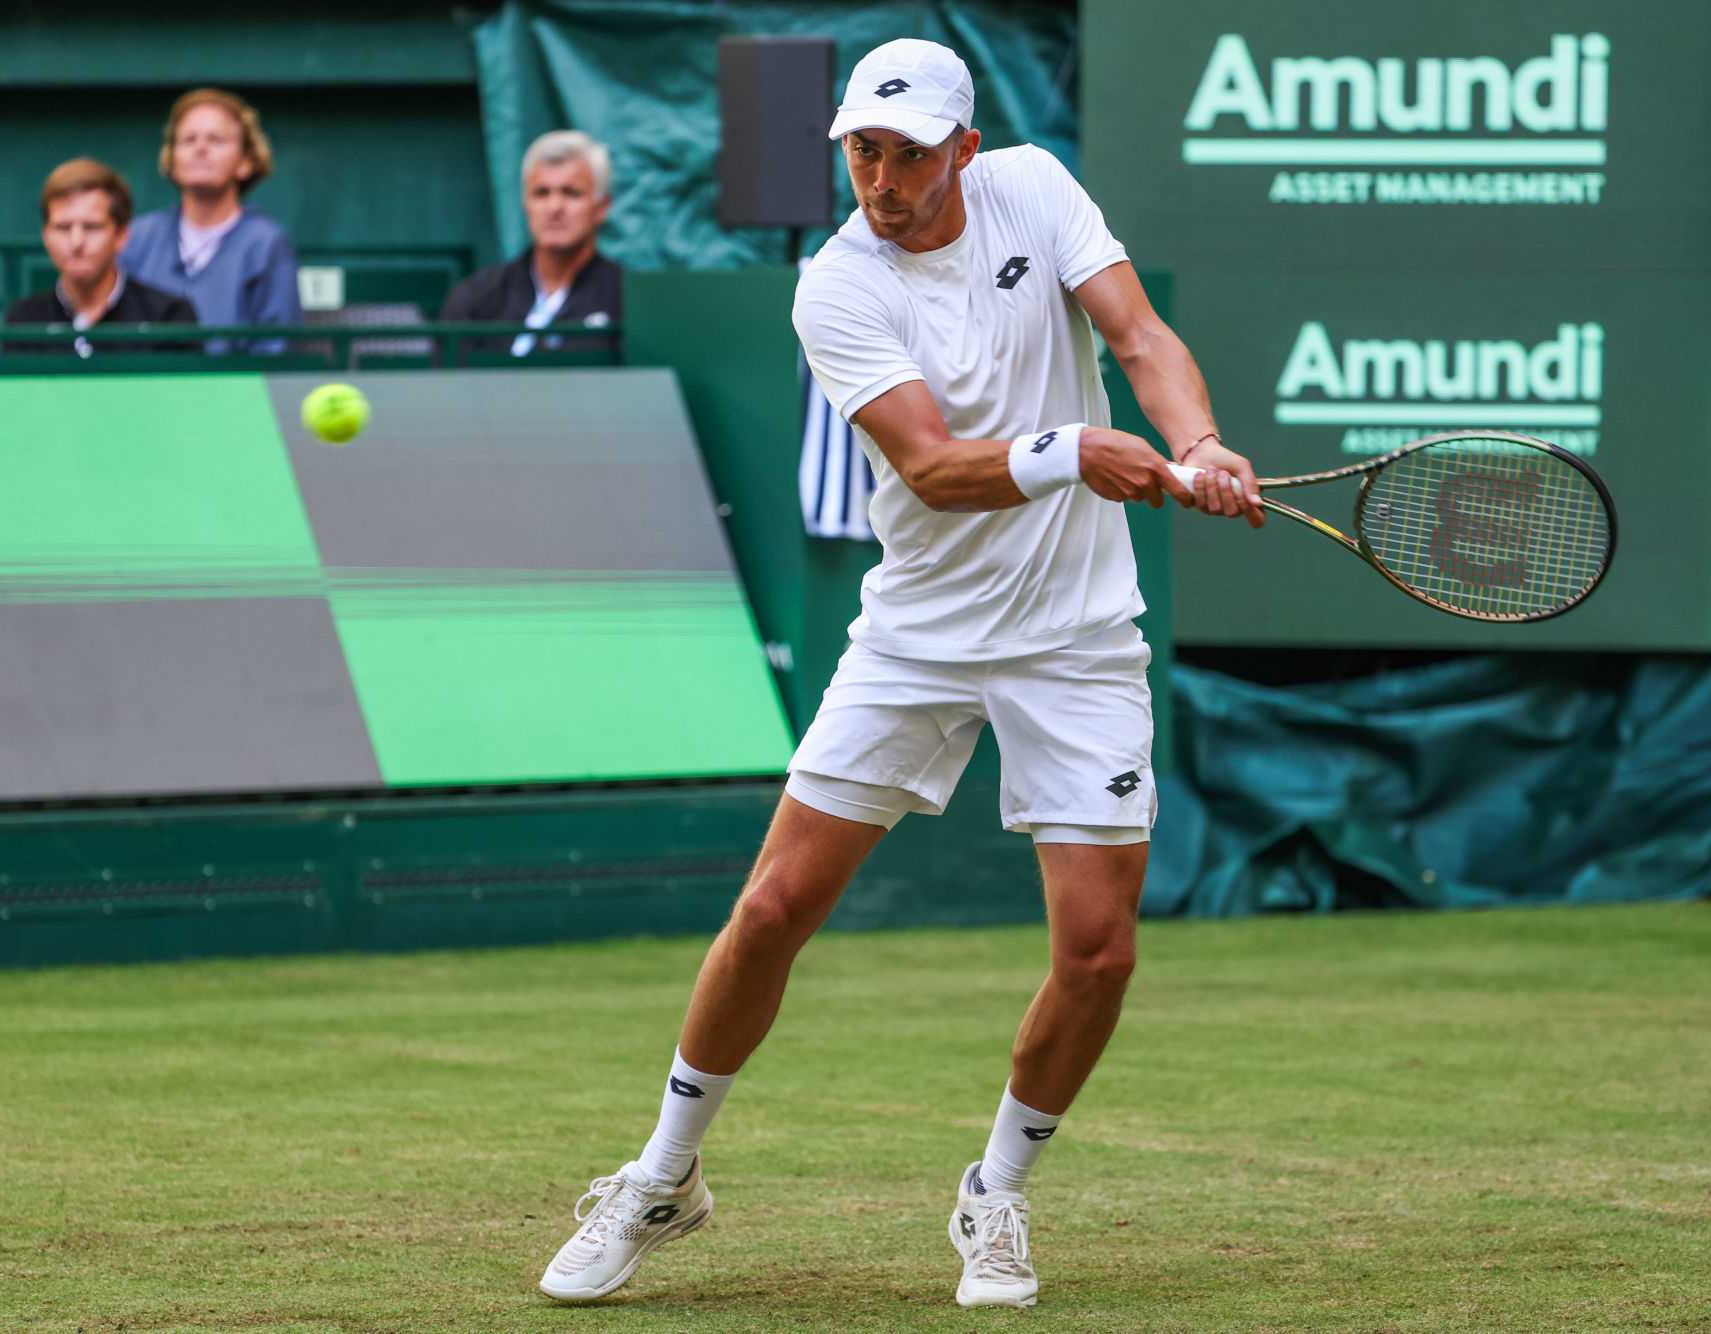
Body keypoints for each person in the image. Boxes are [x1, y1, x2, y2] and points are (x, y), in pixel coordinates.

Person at [537, 38, 1264, 1312]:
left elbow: (1138, 333)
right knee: (771, 910)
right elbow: (931, 466)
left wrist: (1196, 440)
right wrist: (1075, 449)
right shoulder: (836, 285)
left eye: (910, 152)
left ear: (965, 149)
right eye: (862, 150)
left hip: (1076, 633)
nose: (882, 176)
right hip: (917, 633)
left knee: (1098, 953)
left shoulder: (1036, 187)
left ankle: (996, 1194)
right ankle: (662, 1175)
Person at [120, 88, 300, 346]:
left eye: (216, 139)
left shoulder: (266, 243)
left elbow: (276, 348)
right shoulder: (138, 236)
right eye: (188, 140)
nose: (200, 148)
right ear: (171, 159)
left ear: (246, 161)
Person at [439, 130, 621, 355]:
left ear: (601, 207)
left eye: (571, 193)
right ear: (525, 204)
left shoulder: (626, 302)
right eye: (541, 193)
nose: (554, 208)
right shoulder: (476, 298)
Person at [4, 158, 198, 357]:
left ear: (121, 235)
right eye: (63, 228)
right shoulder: (23, 320)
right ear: (45, 234)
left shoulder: (168, 317)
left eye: (91, 227)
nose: (76, 242)